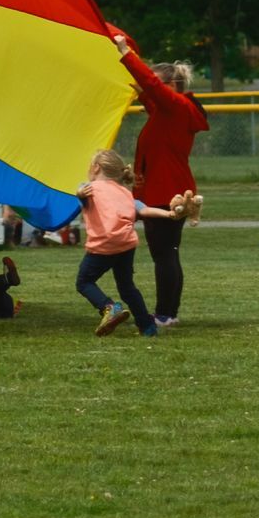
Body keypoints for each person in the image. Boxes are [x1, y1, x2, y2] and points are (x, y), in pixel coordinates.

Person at [110, 28, 210, 329]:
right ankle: (168, 311)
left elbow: (152, 86)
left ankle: (166, 313)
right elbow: (151, 95)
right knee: (166, 253)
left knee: (164, 254)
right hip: (164, 188)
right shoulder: (168, 111)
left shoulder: (177, 107)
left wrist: (126, 54)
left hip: (166, 192)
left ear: (169, 85)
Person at [74, 149, 175, 337]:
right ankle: (147, 326)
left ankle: (109, 307)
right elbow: (144, 211)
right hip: (126, 244)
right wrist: (169, 214)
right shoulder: (125, 192)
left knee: (84, 281)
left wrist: (80, 193)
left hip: (104, 244)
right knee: (127, 286)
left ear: (96, 168)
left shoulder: (89, 188)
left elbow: (81, 194)